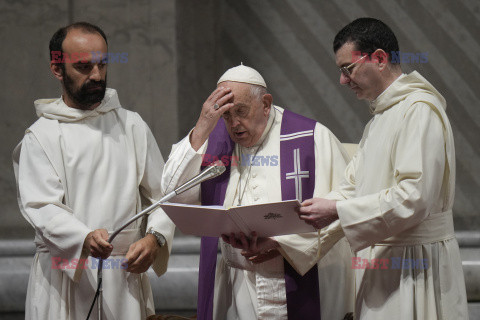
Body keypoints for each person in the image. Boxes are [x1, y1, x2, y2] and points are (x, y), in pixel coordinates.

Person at [298, 18, 469, 319]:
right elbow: (350, 189)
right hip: (383, 266)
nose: (342, 80)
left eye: (347, 69)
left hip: (416, 267)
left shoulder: (419, 109)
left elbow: (413, 197)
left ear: (378, 58)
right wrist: (289, 238)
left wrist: (338, 210)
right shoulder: (379, 120)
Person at [162, 64, 355, 320]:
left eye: (241, 112)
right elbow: (173, 194)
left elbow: (345, 206)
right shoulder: (215, 142)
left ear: (265, 103)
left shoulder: (312, 138)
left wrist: (282, 245)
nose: (233, 124)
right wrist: (202, 126)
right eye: (226, 115)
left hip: (306, 281)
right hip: (240, 287)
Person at [12, 22, 175, 319]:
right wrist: (83, 237)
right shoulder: (42, 135)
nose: (97, 76)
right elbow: (41, 206)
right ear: (57, 69)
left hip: (124, 276)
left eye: (102, 65)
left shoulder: (131, 126)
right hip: (63, 279)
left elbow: (165, 195)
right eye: (84, 67)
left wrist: (155, 238)